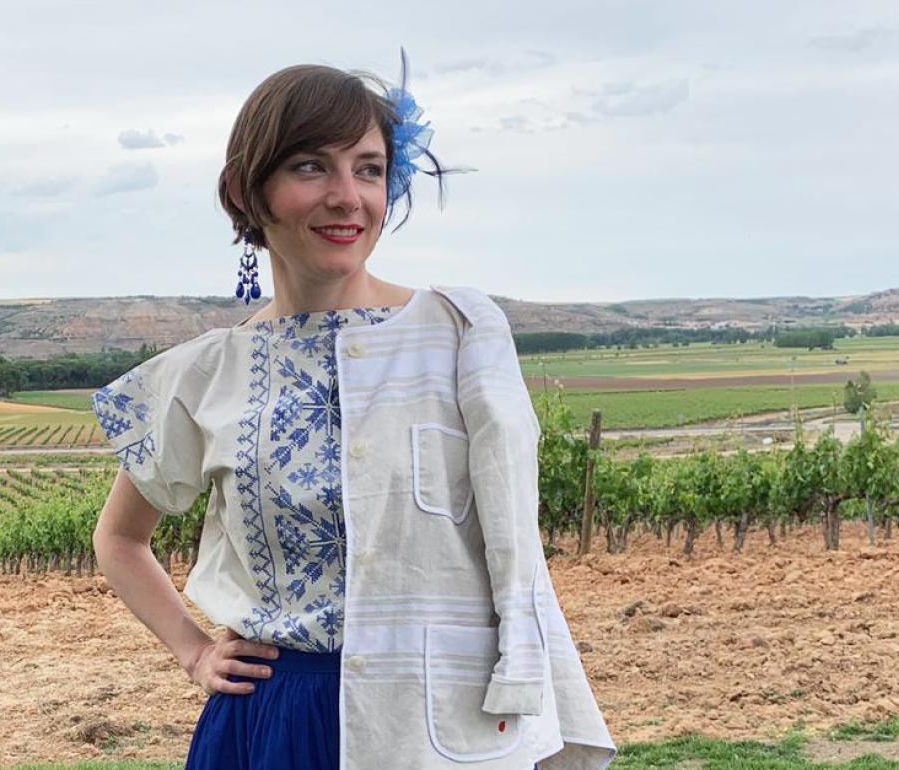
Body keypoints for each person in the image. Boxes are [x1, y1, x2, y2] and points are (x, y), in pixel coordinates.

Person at [92, 51, 615, 770]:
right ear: (250, 192)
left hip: (440, 723)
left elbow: (517, 556)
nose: (348, 196)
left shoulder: (458, 335)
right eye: (312, 166)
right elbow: (119, 540)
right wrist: (193, 651)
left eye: (368, 169)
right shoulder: (204, 374)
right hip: (274, 720)